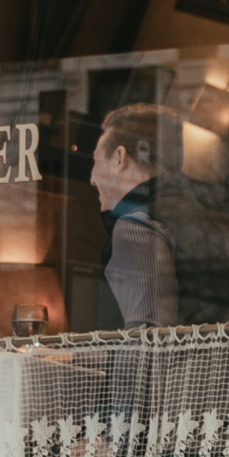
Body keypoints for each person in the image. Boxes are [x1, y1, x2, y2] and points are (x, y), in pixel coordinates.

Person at [89, 105, 184, 327]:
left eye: (95, 161)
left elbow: (144, 343)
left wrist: (68, 359)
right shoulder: (208, 219)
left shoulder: (136, 226)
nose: (92, 178)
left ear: (119, 158)